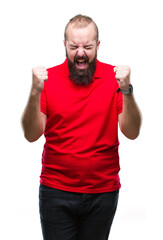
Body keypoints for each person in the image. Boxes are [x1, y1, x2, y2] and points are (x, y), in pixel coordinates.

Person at [21, 14, 141, 240]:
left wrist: (127, 90)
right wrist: (34, 91)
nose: (80, 53)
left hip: (103, 192)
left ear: (97, 45)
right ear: (64, 45)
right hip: (56, 191)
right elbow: (30, 134)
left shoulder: (114, 79)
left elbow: (132, 132)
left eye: (87, 46)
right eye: (74, 46)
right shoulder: (47, 80)